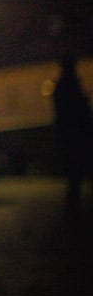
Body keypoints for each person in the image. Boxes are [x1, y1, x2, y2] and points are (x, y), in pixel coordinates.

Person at [51, 54, 93, 220]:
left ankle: (73, 209)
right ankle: (73, 210)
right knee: (76, 175)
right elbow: (76, 112)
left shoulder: (64, 86)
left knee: (75, 176)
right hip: (76, 137)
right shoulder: (68, 86)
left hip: (72, 137)